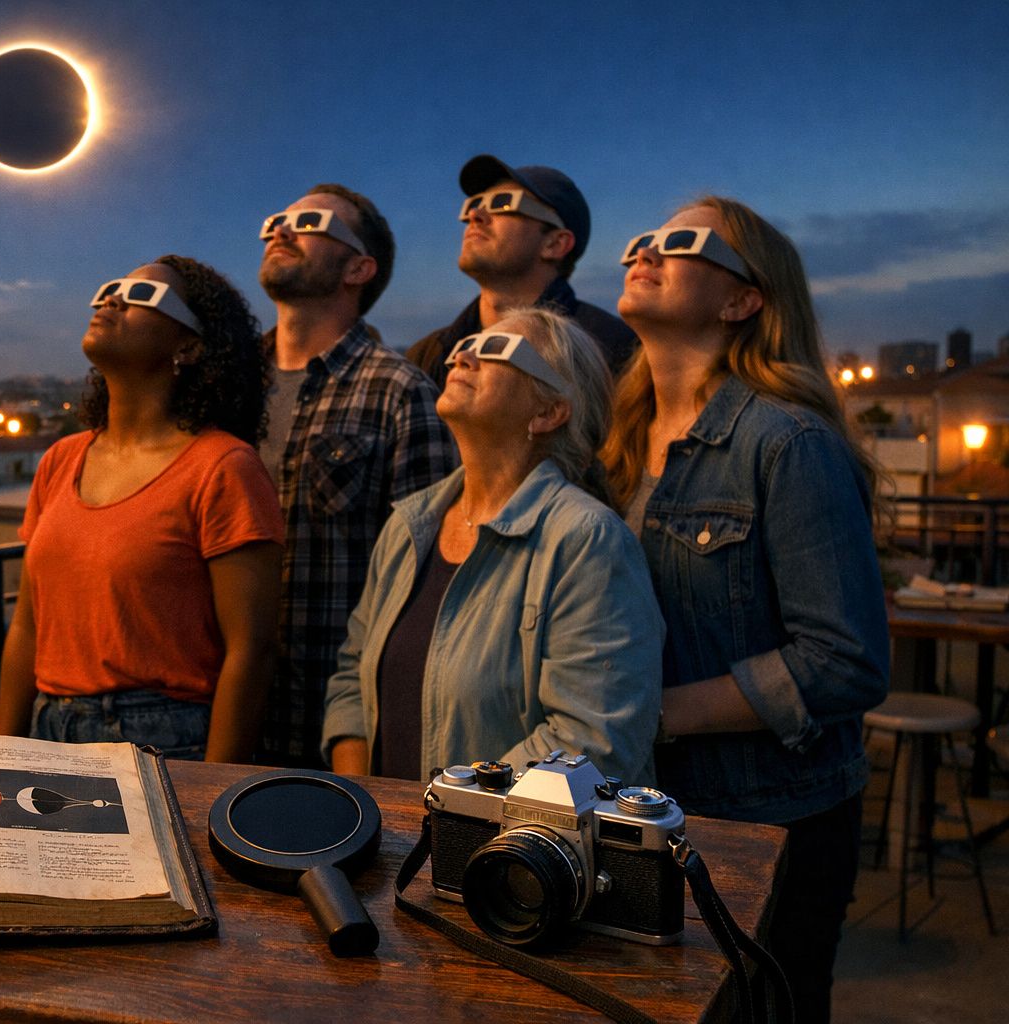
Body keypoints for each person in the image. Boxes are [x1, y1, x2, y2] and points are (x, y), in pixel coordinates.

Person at [601, 197, 889, 1023]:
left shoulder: (787, 443)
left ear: (743, 299)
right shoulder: (616, 450)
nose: (647, 253)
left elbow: (846, 660)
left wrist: (651, 713)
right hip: (647, 809)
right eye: (643, 241)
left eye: (682, 244)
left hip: (771, 819)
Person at [322, 307, 662, 783]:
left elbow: (589, 743)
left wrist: (442, 814)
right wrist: (367, 802)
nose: (463, 355)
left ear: (548, 412)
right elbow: (351, 681)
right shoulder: (409, 525)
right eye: (468, 345)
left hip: (498, 851)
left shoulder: (587, 543)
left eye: (496, 349)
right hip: (389, 844)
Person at [0, 256, 284, 763]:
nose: (112, 300)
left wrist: (214, 797)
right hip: (48, 732)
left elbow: (251, 652)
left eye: (142, 296)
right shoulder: (62, 460)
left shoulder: (223, 467)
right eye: (111, 288)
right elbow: (27, 626)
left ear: (189, 346)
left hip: (163, 742)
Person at [253, 183, 458, 767]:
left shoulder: (401, 393)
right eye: (277, 220)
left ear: (359, 268)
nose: (282, 231)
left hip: (329, 726)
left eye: (311, 222)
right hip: (217, 709)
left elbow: (424, 586)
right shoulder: (230, 387)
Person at [406, 155, 637, 389]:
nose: (475, 216)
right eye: (473, 205)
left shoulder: (614, 350)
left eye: (503, 203)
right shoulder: (426, 357)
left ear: (555, 244)